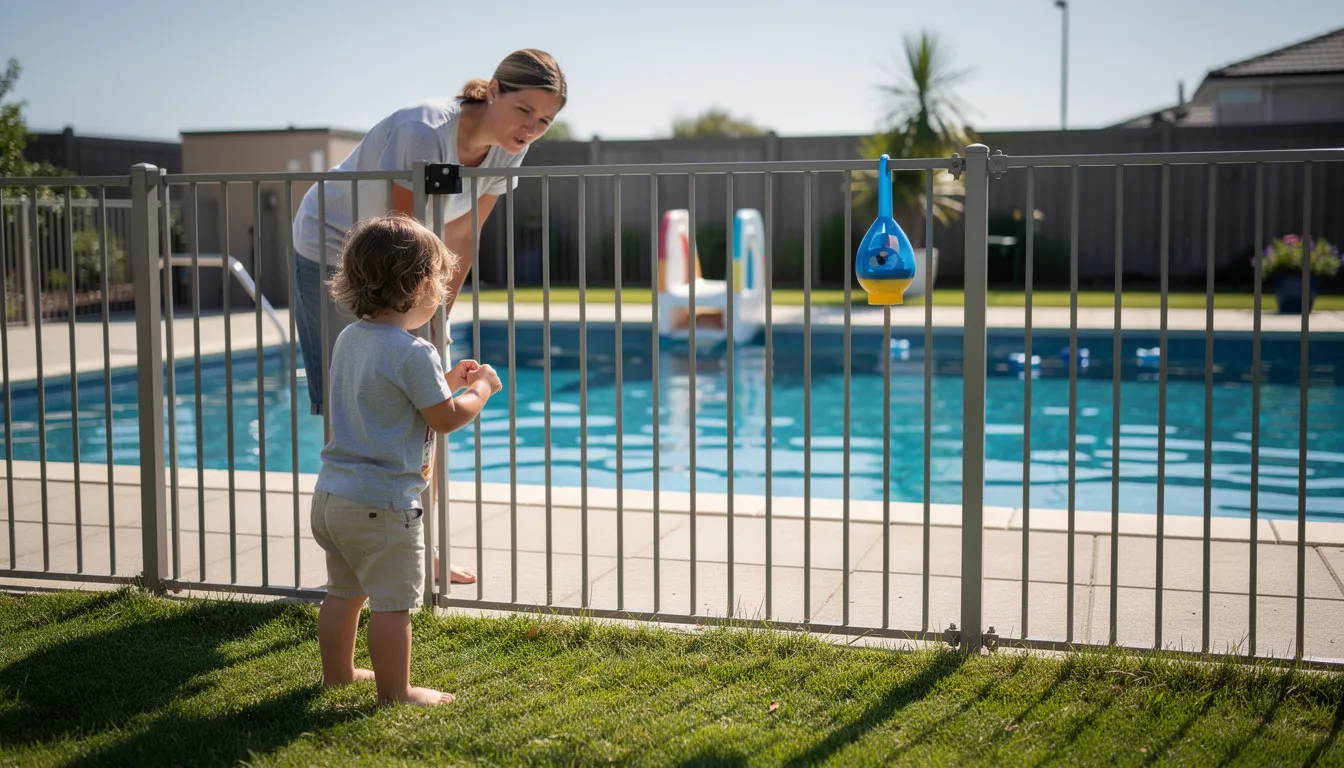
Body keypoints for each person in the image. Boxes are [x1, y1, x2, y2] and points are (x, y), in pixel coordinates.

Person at [291, 48, 566, 584]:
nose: (532, 128)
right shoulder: (425, 131)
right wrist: (419, 313)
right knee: (352, 396)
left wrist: (441, 309)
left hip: (413, 267)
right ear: (492, 90)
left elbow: (462, 235)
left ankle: (419, 547)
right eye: (525, 111)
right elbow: (403, 237)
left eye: (545, 121)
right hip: (335, 249)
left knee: (424, 405)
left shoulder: (510, 152)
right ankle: (348, 564)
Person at [310, 213, 502, 707]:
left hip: (333, 496)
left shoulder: (350, 338)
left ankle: (339, 674)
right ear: (420, 286)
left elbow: (391, 394)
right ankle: (396, 692)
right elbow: (445, 417)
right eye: (439, 282)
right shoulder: (414, 352)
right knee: (395, 604)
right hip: (384, 505)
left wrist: (447, 377)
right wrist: (480, 388)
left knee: (343, 593)